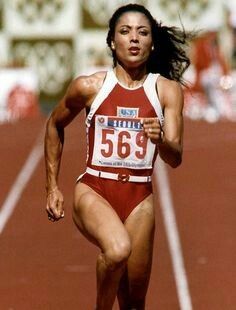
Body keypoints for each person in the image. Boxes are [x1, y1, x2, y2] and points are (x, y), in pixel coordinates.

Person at [44, 3, 193, 309]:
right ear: (112, 41)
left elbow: (175, 157)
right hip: (95, 189)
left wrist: (161, 139)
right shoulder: (90, 87)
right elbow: (54, 124)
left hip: (139, 198)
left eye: (142, 32)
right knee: (117, 250)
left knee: (135, 301)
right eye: (125, 32)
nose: (134, 39)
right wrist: (52, 187)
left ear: (152, 43)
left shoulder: (167, 91)